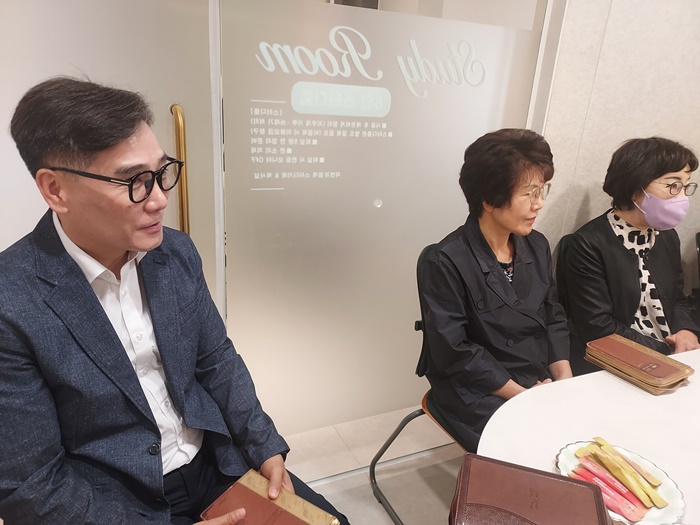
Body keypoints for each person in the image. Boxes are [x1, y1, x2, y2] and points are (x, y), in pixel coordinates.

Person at [0, 77, 349, 525]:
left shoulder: (174, 252)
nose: (160, 199)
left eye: (161, 173)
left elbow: (216, 361)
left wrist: (263, 445)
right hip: (115, 502)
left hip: (216, 464)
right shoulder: (12, 301)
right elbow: (32, 485)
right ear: (55, 190)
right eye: (134, 181)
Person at [420, 128, 572, 449]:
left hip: (532, 375)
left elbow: (553, 314)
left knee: (577, 426)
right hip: (475, 387)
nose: (539, 204)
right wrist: (524, 397)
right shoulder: (446, 260)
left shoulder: (537, 245)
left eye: (542, 190)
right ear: (489, 199)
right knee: (540, 444)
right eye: (529, 193)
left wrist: (564, 380)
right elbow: (455, 351)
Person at [561, 137, 700, 375]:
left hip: (672, 355)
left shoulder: (667, 236)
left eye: (686, 186)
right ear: (636, 188)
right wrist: (666, 351)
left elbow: (678, 298)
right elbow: (597, 327)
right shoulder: (588, 244)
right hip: (617, 361)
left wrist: (686, 332)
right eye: (673, 185)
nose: (681, 197)